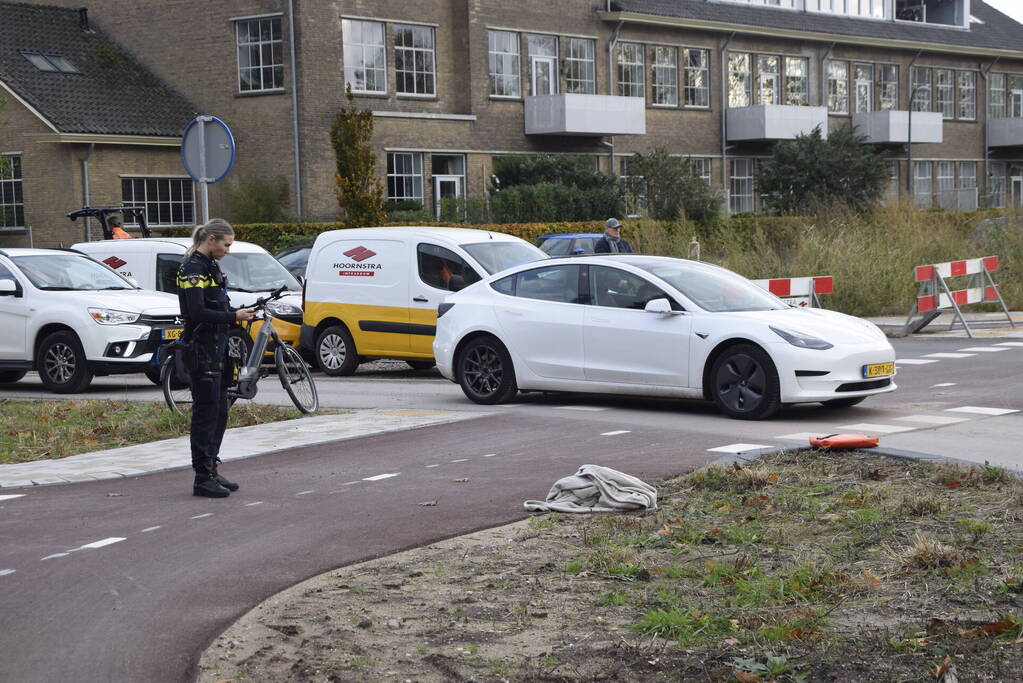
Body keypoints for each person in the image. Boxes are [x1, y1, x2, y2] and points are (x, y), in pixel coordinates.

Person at [177, 219, 256, 498]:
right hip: (201, 347)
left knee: (220, 410)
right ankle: (201, 477)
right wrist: (232, 316)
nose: (228, 250)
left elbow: (218, 304)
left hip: (218, 346)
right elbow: (197, 312)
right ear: (210, 240)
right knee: (206, 412)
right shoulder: (192, 269)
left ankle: (212, 467)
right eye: (226, 244)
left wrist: (239, 314)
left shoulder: (210, 266)